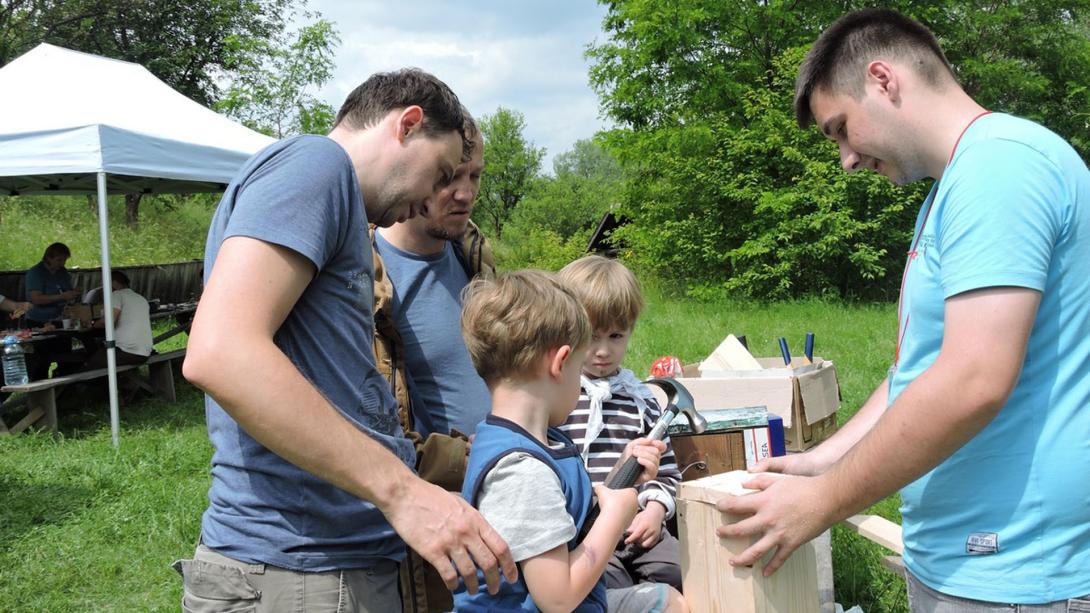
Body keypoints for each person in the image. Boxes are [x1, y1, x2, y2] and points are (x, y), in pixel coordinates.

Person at [716, 8, 1090, 611]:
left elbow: (973, 380)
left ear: (884, 80)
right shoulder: (955, 186)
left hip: (1017, 572)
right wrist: (820, 462)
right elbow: (919, 370)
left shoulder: (1000, 168)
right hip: (968, 563)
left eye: (840, 128)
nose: (846, 159)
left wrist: (825, 500)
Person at [176, 68, 516, 612]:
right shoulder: (317, 163)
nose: (439, 193)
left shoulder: (342, 206)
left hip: (334, 564)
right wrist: (404, 494)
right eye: (443, 171)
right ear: (407, 126)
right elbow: (220, 352)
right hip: (299, 568)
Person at [454, 270, 687, 613]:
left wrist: (620, 476)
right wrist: (616, 516)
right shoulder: (522, 471)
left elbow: (565, 518)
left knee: (668, 601)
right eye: (580, 369)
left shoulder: (541, 441)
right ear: (561, 363)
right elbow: (558, 598)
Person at [370, 114, 495, 612]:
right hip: (436, 510)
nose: (464, 193)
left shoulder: (471, 254)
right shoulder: (367, 274)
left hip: (502, 486)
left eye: (475, 176)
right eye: (449, 178)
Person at [555, 255, 684, 592]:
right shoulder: (559, 399)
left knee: (678, 570)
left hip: (637, 525)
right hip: (586, 531)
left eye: (615, 336)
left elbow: (668, 472)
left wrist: (655, 510)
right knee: (607, 582)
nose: (602, 351)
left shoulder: (639, 400)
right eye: (591, 337)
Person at [83, 270, 152, 370]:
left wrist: (91, 324)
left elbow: (107, 321)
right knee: (100, 354)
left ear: (113, 283)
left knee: (90, 364)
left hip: (127, 351)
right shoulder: (141, 298)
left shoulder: (117, 295)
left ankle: (82, 385)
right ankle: (122, 382)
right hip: (145, 352)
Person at [24, 242, 81, 326]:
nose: (62, 264)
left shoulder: (62, 271)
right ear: (48, 258)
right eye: (59, 260)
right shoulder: (35, 273)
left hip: (61, 318)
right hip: (39, 321)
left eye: (64, 260)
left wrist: (73, 293)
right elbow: (36, 299)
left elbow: (66, 291)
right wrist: (62, 296)